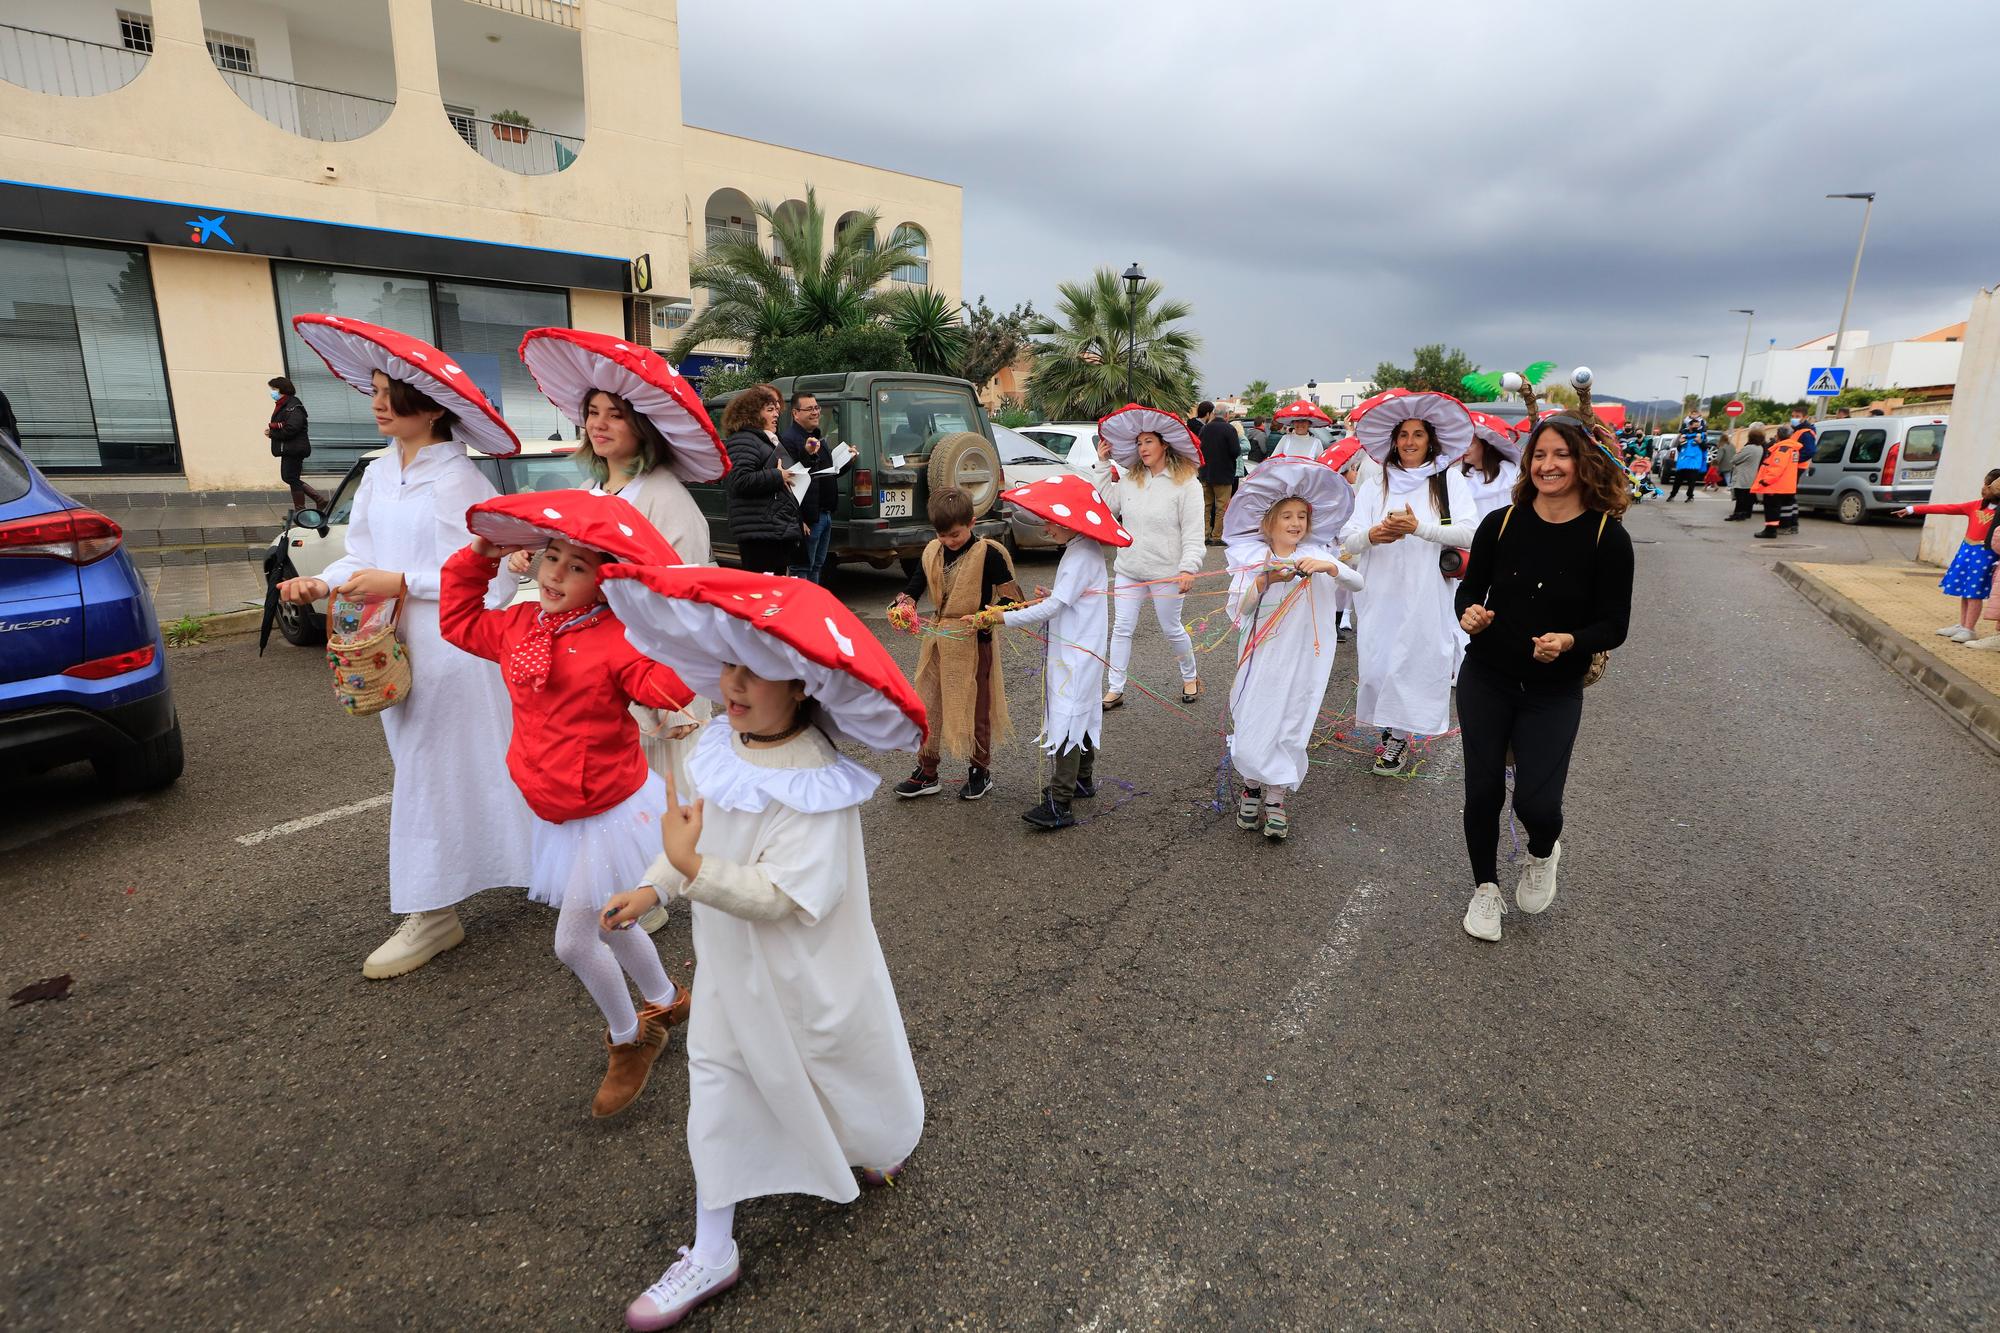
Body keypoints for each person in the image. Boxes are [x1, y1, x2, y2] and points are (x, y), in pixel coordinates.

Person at [599, 567, 927, 1333]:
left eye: (759, 671)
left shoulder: (814, 781)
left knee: (835, 1066)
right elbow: (692, 834)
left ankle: (875, 1141)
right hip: (729, 975)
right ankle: (714, 1246)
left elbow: (781, 895)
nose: (735, 683)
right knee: (715, 1085)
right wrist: (656, 886)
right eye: (730, 664)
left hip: (805, 976)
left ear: (806, 686)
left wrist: (688, 871)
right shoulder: (719, 742)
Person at [277, 315, 532, 979]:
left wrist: (405, 582)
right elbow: (360, 554)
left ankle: (433, 909)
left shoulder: (461, 482)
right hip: (388, 647)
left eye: (393, 392)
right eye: (376, 390)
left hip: (452, 653)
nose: (379, 402)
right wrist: (319, 582)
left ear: (431, 406)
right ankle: (577, 866)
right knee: (464, 770)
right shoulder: (380, 473)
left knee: (432, 776)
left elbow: (499, 574)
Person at [439, 492, 696, 1116]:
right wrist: (478, 556)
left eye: (577, 567)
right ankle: (665, 996)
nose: (556, 573)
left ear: (605, 582)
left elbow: (670, 686)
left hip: (609, 807)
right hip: (555, 806)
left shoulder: (618, 640)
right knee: (617, 916)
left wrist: (669, 635)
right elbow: (458, 620)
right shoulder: (520, 624)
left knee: (576, 942)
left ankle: (631, 1038)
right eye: (552, 556)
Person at [516, 328, 732, 934]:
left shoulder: (666, 499)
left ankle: (654, 885)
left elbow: (687, 591)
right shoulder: (591, 491)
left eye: (616, 414)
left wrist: (670, 665)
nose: (601, 423)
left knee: (659, 777)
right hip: (596, 655)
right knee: (620, 772)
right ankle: (625, 879)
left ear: (643, 426)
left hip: (647, 656)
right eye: (593, 412)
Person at [1454, 416, 1634, 942]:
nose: (1547, 465)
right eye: (1539, 455)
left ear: (1584, 462)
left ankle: (1542, 851)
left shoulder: (1607, 536)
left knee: (1538, 804)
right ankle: (1485, 889)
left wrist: (1571, 641)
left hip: (1554, 689)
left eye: (1560, 455)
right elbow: (1469, 591)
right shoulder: (1501, 523)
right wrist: (1470, 615)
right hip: (1486, 675)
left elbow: (1614, 625)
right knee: (1482, 789)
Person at [973, 472, 1130, 830]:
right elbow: (1068, 599)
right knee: (1083, 710)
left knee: (1069, 715)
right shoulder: (1081, 549)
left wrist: (1002, 617)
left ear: (1070, 522)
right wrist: (1055, 597)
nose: (1047, 527)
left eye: (1052, 522)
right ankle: (1082, 780)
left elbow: (1056, 607)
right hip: (1081, 647)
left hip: (1076, 652)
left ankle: (1060, 802)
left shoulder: (1079, 555)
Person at [1221, 460, 1363, 841]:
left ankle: (1277, 797)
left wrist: (1330, 569)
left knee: (1292, 721)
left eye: (1302, 516)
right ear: (1269, 521)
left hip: (1305, 659)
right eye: (1287, 515)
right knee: (1255, 717)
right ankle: (1252, 786)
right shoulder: (1254, 560)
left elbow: (1357, 581)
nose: (1296, 523)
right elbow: (1240, 609)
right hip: (1263, 657)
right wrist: (1264, 581)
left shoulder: (1319, 555)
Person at [1336, 393, 1477, 776]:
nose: (1410, 442)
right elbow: (1347, 538)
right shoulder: (1375, 482)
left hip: (1426, 590)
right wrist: (1376, 534)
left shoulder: (1447, 480)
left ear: (1431, 440)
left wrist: (1419, 528)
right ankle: (1388, 725)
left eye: (1418, 434)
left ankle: (1398, 737)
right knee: (1379, 665)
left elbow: (1470, 532)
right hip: (1379, 591)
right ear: (1393, 441)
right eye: (1403, 435)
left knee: (1413, 663)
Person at [889, 486, 1021, 800]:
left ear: (972, 523)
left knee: (976, 705)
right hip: (938, 640)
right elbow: (915, 585)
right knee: (929, 702)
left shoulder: (988, 553)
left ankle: (979, 770)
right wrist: (903, 604)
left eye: (956, 535)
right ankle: (927, 770)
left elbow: (1011, 598)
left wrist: (985, 616)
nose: (949, 541)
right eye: (942, 535)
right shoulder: (932, 551)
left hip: (975, 640)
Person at [1092, 405, 1205, 708]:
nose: (1142, 448)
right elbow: (1107, 505)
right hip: (1129, 568)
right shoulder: (1130, 479)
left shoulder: (1187, 484)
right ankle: (1115, 688)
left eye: (1148, 442)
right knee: (1122, 627)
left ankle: (1190, 676)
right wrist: (1103, 465)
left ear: (1164, 443)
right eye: (1139, 443)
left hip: (1167, 571)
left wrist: (1188, 568)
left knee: (1171, 628)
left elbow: (1194, 533)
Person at [1896, 469, 2000, 643]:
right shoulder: (1974, 505)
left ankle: (1969, 628)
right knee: (1965, 591)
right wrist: (1912, 509)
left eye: (1988, 484)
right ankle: (1963, 624)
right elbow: (1947, 508)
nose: (1984, 488)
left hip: (1985, 556)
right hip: (1967, 551)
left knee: (1974, 593)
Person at [719, 383, 802, 574]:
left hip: (773, 528)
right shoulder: (743, 440)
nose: (776, 415)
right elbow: (738, 480)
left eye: (777, 410)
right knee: (762, 594)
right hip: (759, 532)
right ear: (753, 413)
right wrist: (777, 475)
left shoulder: (765, 440)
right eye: (770, 409)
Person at [779, 391, 842, 583]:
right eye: (809, 409)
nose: (815, 413)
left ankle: (813, 610)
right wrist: (799, 520)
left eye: (816, 408)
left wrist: (847, 460)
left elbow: (825, 474)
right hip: (808, 518)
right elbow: (789, 482)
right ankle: (803, 610)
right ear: (795, 413)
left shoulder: (816, 437)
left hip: (823, 514)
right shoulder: (789, 440)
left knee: (817, 565)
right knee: (801, 568)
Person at [265, 375, 327, 512]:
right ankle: (301, 510)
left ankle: (317, 501)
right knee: (291, 478)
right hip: (289, 448)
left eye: (274, 389)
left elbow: (292, 428)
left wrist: (272, 434)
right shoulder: (285, 405)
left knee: (290, 477)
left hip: (294, 449)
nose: (272, 392)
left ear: (282, 389)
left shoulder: (293, 406)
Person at [1460, 414, 1521, 522]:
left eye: (1470, 443)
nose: (1464, 448)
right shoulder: (1458, 476)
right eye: (1462, 442)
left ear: (1486, 444)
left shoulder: (1510, 475)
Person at [1195, 401, 1240, 545]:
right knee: (1221, 507)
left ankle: (1204, 534)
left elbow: (1198, 448)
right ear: (1226, 415)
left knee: (1205, 506)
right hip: (1223, 473)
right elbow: (1235, 451)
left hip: (1205, 472)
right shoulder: (1229, 429)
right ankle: (1217, 536)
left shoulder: (1204, 429)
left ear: (1214, 414)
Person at [1752, 424, 1806, 538]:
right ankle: (1779, 528)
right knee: (1783, 507)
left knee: (1771, 508)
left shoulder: (1782, 449)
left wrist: (1766, 480)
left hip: (1776, 485)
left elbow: (1777, 467)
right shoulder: (1793, 449)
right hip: (1786, 485)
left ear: (1779, 435)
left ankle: (1770, 530)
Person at [1725, 427, 1764, 520]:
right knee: (1748, 496)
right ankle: (1747, 513)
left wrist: (1737, 454)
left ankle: (1738, 514)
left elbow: (1735, 459)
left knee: (1740, 496)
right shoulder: (1760, 448)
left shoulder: (1749, 448)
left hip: (1743, 475)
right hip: (1752, 475)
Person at [1666, 427, 1707, 502]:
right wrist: (1681, 442)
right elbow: (1679, 449)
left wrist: (1700, 441)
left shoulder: (1700, 440)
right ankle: (1672, 495)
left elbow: (1705, 448)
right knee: (1678, 481)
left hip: (1693, 464)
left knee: (1691, 482)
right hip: (1683, 463)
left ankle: (1690, 496)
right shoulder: (1684, 439)